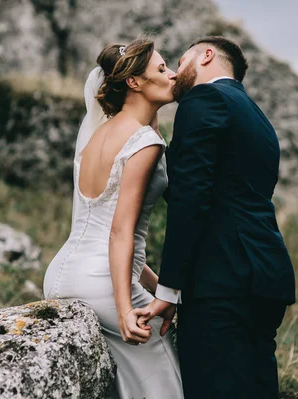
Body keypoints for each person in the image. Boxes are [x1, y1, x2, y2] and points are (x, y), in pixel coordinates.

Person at [140, 36, 296, 399]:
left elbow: (190, 199)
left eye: (182, 60)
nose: (176, 73)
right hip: (266, 276)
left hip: (222, 280)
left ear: (207, 55)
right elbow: (223, 189)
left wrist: (169, 288)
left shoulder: (204, 99)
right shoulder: (257, 117)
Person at [43, 37, 183, 398]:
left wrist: (158, 287)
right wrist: (124, 309)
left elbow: (102, 224)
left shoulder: (96, 136)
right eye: (162, 69)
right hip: (104, 285)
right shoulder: (144, 142)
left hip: (61, 276)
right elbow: (120, 230)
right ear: (134, 82)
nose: (174, 75)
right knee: (165, 383)